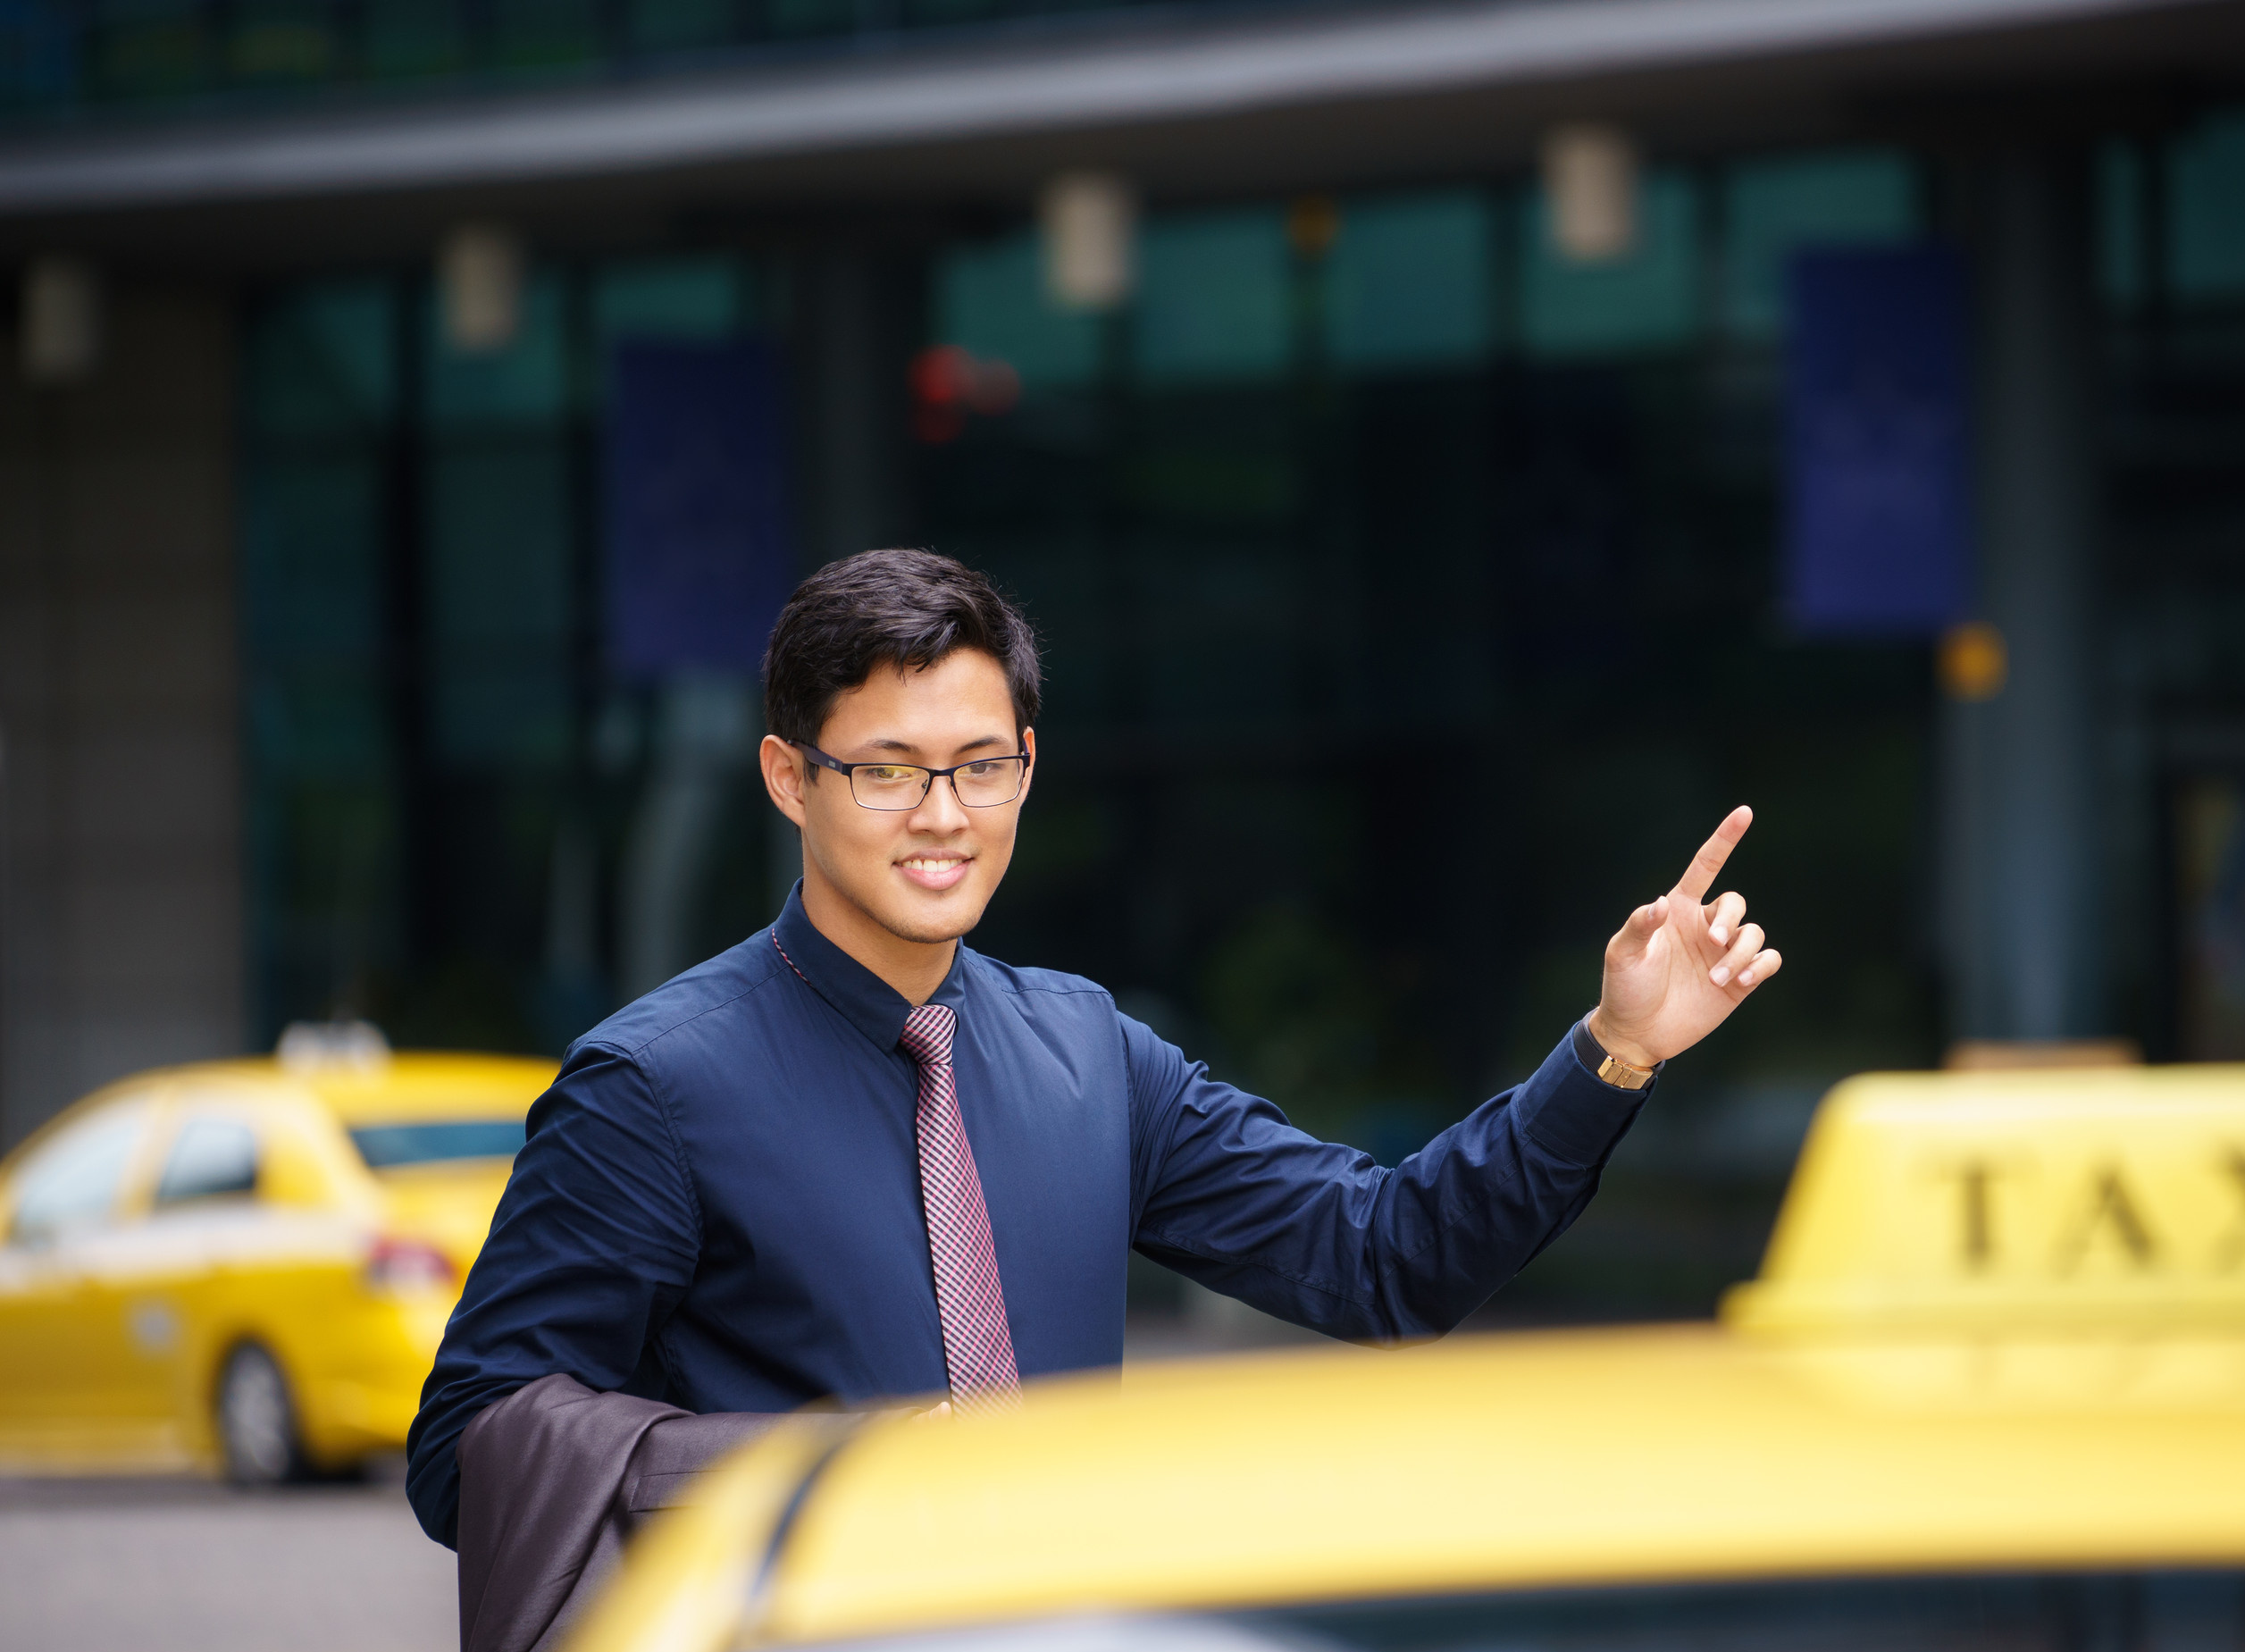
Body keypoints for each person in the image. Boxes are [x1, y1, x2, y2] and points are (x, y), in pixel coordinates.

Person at [406, 548, 1782, 1550]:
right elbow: (470, 1455)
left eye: (981, 764)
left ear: (1026, 766)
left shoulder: (1087, 1052)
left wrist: (1613, 1047)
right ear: (789, 779)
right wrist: (820, 1468)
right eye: (887, 767)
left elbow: (1388, 1260)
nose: (941, 814)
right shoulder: (654, 1088)